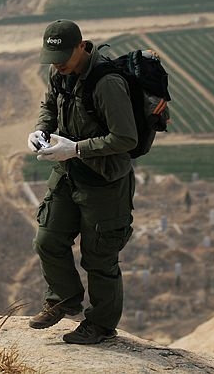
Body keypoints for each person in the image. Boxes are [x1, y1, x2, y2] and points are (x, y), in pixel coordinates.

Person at [27, 19, 137, 344]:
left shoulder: (106, 83)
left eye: (62, 56)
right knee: (47, 239)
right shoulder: (59, 73)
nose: (57, 64)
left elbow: (125, 138)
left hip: (104, 180)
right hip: (68, 171)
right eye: (52, 58)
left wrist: (76, 148)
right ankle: (62, 299)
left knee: (99, 258)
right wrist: (42, 130)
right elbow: (49, 105)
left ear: (81, 46)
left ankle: (101, 325)